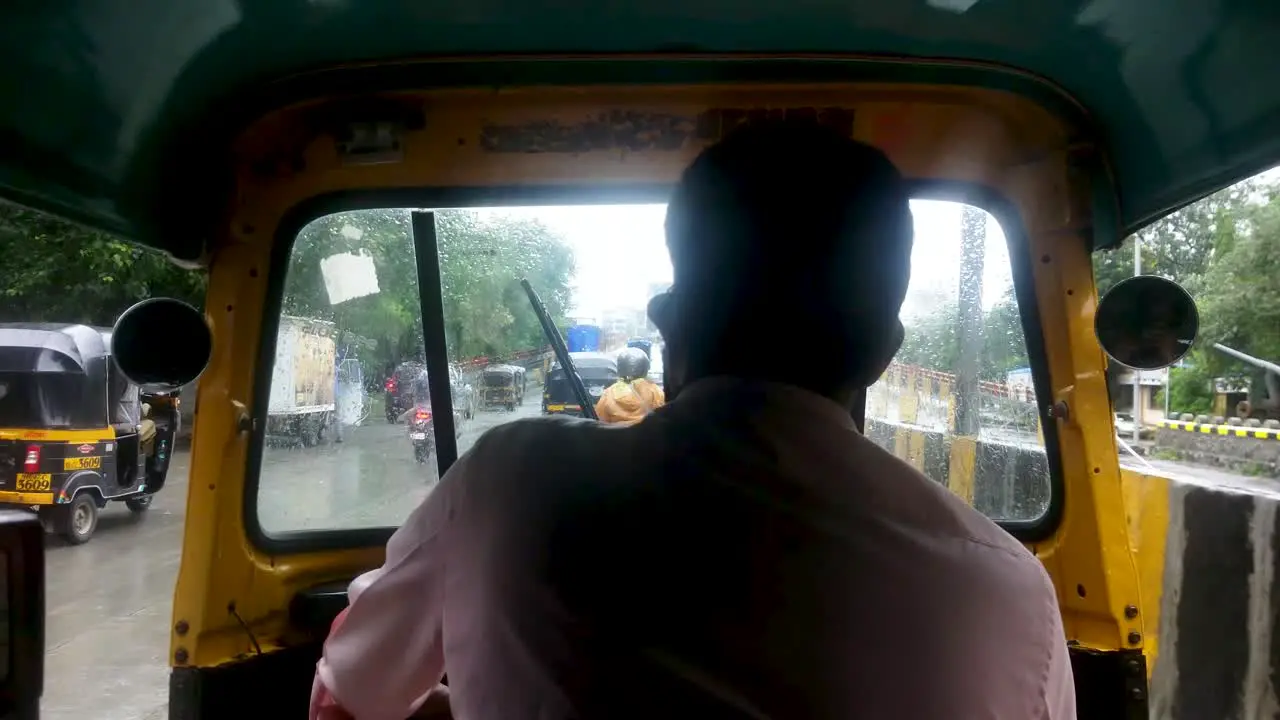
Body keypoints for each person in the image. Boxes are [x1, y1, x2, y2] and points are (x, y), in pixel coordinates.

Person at [309, 122, 1076, 720]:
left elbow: (348, 695)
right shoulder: (1007, 592)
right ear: (882, 353)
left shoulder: (507, 482)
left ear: (669, 319)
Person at [594, 347, 666, 424]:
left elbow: (600, 421)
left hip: (619, 435)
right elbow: (663, 417)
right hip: (646, 434)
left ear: (619, 369)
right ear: (645, 368)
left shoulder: (609, 394)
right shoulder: (655, 391)